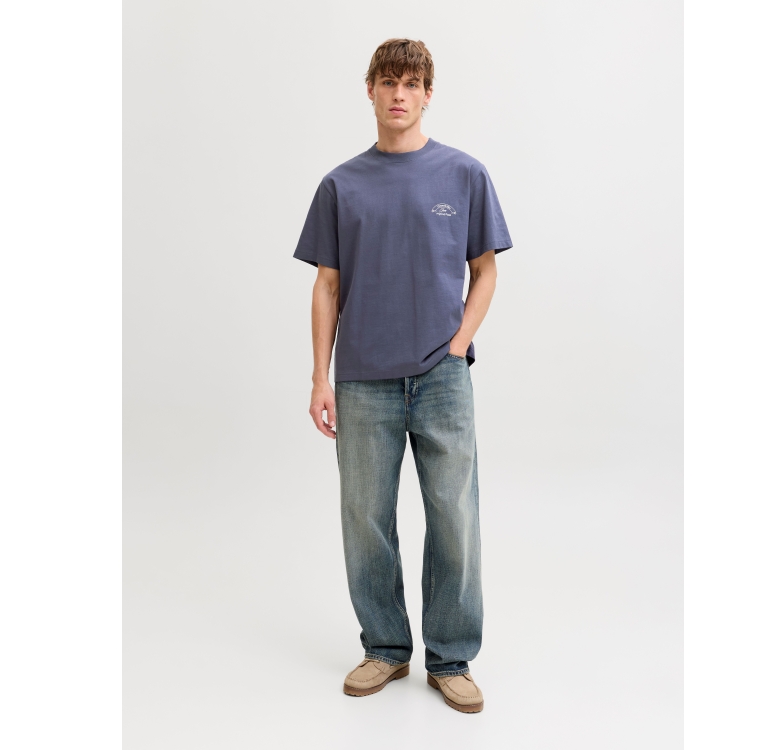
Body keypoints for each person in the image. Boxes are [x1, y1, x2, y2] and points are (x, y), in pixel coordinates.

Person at [292, 38, 512, 714]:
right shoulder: (341, 185)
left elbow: (485, 270)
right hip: (363, 380)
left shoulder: (463, 174)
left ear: (427, 94)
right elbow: (327, 285)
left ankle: (451, 658)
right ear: (370, 90)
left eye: (411, 83)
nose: (399, 94)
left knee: (454, 517)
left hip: (442, 378)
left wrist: (458, 345)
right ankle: (385, 648)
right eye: (388, 82)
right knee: (365, 519)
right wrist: (320, 377)